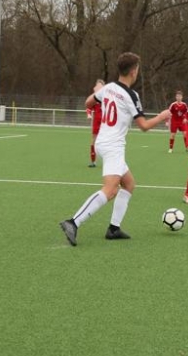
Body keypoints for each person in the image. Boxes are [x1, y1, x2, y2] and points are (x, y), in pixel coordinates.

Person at [59, 54, 170, 245]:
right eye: (137, 69)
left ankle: (113, 228)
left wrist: (102, 97)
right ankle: (73, 222)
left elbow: (88, 103)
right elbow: (143, 126)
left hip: (102, 142)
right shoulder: (131, 95)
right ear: (133, 71)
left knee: (129, 184)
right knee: (110, 190)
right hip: (113, 146)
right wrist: (162, 116)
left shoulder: (108, 87)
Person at [87, 79, 104, 167]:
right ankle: (93, 162)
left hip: (105, 123)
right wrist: (89, 114)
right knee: (94, 141)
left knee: (106, 142)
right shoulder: (94, 98)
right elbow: (88, 107)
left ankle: (109, 161)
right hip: (96, 123)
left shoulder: (106, 97)